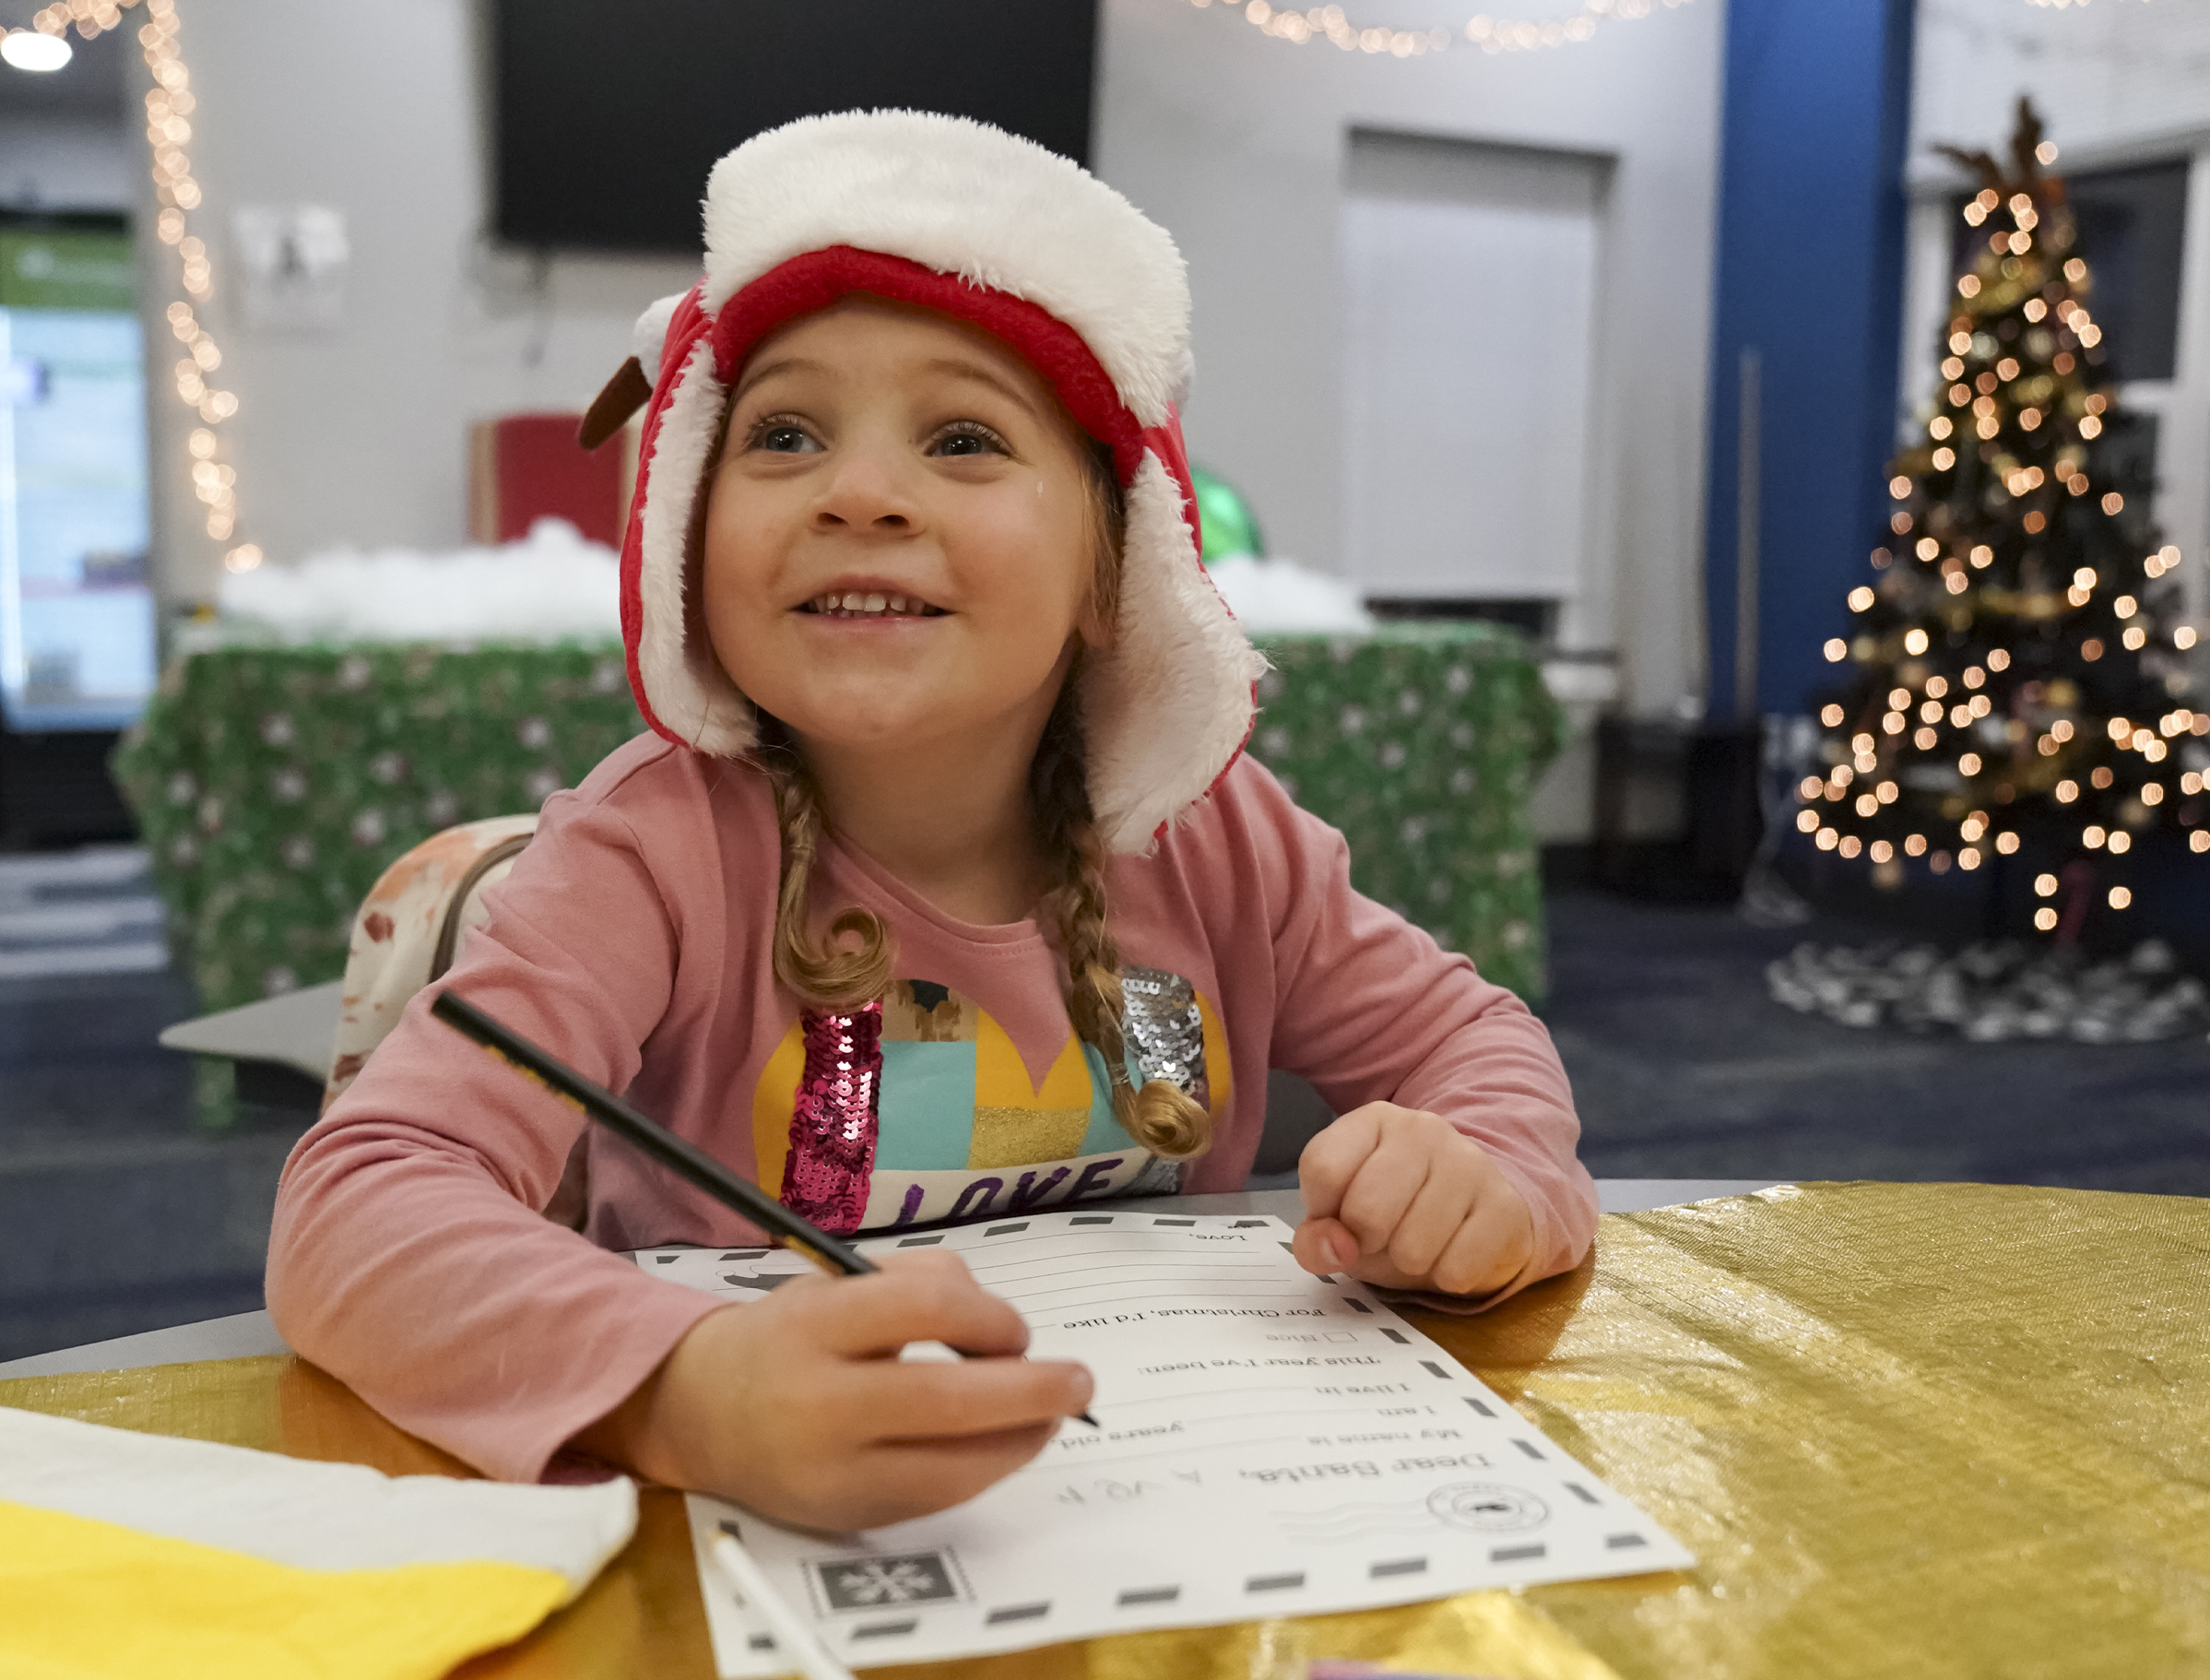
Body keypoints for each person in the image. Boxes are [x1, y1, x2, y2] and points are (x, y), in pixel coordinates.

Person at [268, 112, 1594, 1533]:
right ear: (684, 536)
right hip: (742, 1553)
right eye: (782, 434)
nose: (858, 493)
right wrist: (683, 1387)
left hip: (1169, 1520)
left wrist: (1492, 1184)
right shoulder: (650, 860)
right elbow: (360, 1203)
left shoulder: (1215, 842)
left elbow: (1475, 1045)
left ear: (1116, 569)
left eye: (962, 437)